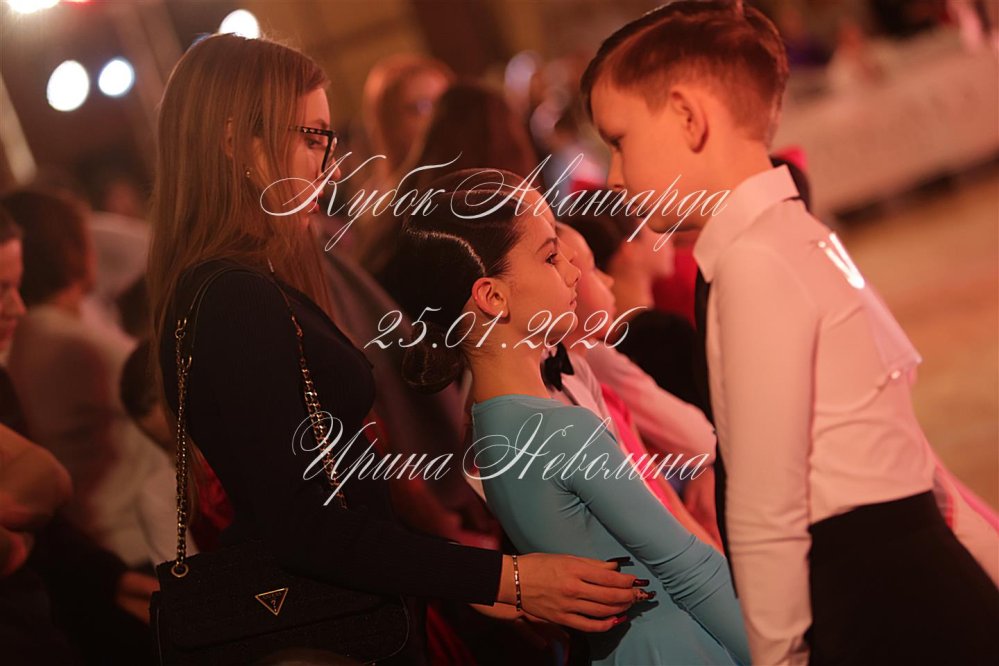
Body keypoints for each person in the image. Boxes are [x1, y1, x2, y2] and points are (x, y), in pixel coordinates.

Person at [146, 34, 643, 664]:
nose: (329, 167)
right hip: (328, 629)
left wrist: (468, 576)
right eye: (312, 138)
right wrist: (504, 579)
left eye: (328, 141)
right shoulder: (232, 296)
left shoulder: (238, 285)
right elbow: (306, 525)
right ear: (235, 141)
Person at [580, 2, 999, 664]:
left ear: (688, 117)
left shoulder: (755, 262)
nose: (614, 176)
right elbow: (907, 450)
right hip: (913, 579)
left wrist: (778, 657)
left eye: (619, 140)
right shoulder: (796, 237)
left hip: (875, 600)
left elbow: (764, 511)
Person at [394, 169, 750, 665]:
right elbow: (686, 566)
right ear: (492, 296)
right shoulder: (560, 429)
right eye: (550, 257)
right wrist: (778, 653)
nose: (575, 271)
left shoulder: (488, 425)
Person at [3, 188, 176, 570]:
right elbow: (172, 393)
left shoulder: (41, 334)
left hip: (107, 540)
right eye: (85, 237)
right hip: (134, 540)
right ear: (69, 249)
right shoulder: (66, 342)